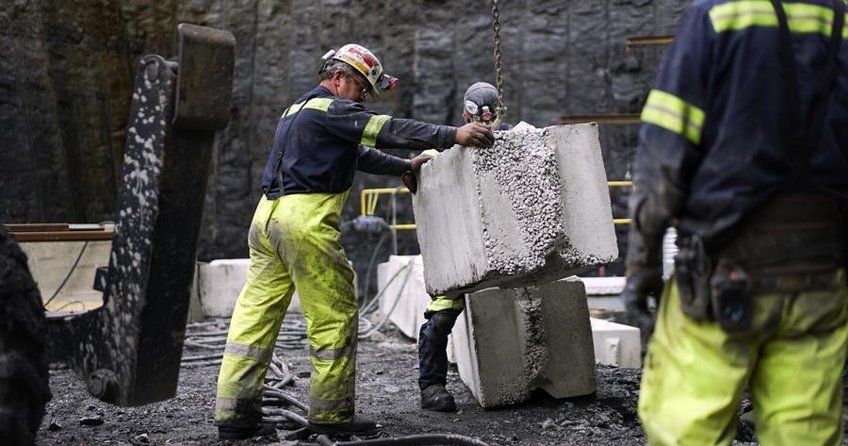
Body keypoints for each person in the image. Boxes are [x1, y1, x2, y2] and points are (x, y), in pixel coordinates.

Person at [214, 43, 495, 440]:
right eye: (362, 88)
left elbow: (355, 155)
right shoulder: (332, 108)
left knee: (253, 320)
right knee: (334, 315)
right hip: (304, 222)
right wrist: (455, 135)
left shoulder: (298, 110)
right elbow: (386, 130)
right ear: (339, 78)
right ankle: (331, 417)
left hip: (266, 220)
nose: (363, 98)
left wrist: (403, 167)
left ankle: (234, 418)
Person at [619, 0, 848, 444]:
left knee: (687, 428)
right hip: (821, 279)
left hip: (725, 276)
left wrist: (642, 263)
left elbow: (663, 160)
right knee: (805, 433)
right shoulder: (841, 25)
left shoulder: (717, 19)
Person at [416, 81, 509, 412]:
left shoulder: (511, 143)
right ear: (466, 115)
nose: (484, 122)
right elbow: (426, 162)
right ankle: (432, 387)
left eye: (489, 115)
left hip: (503, 250)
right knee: (440, 317)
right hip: (460, 250)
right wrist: (418, 165)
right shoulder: (447, 148)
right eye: (478, 115)